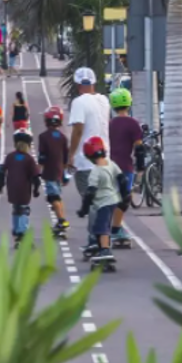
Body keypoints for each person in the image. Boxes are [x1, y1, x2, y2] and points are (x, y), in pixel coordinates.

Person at [67, 67, 112, 244]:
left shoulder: (79, 102)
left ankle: (95, 238)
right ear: (93, 83)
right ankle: (103, 238)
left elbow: (78, 130)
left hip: (85, 161)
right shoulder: (104, 101)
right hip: (105, 159)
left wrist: (70, 155)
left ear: (78, 85)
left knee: (92, 201)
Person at [75, 137, 123, 264]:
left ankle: (105, 250)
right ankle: (101, 246)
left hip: (103, 203)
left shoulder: (95, 172)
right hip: (114, 200)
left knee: (102, 227)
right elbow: (122, 179)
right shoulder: (111, 163)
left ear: (88, 156)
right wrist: (125, 196)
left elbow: (90, 193)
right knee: (101, 226)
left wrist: (83, 210)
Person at [107, 88, 142, 250]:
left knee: (111, 198)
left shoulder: (110, 124)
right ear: (129, 103)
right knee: (124, 199)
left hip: (109, 166)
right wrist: (140, 167)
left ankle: (112, 227)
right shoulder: (133, 124)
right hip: (125, 166)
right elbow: (139, 149)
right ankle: (115, 229)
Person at [0, 129, 42, 247]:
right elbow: (36, 177)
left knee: (16, 208)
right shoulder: (29, 159)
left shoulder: (10, 157)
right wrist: (36, 189)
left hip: (12, 188)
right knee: (23, 210)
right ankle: (22, 235)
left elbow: (1, 171)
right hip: (24, 189)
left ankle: (17, 233)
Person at [38, 106, 70, 231]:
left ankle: (62, 220)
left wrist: (37, 171)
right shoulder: (63, 137)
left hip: (49, 171)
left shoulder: (43, 136)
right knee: (57, 196)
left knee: (53, 197)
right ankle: (61, 218)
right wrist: (65, 173)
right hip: (59, 171)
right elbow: (66, 157)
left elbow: (42, 156)